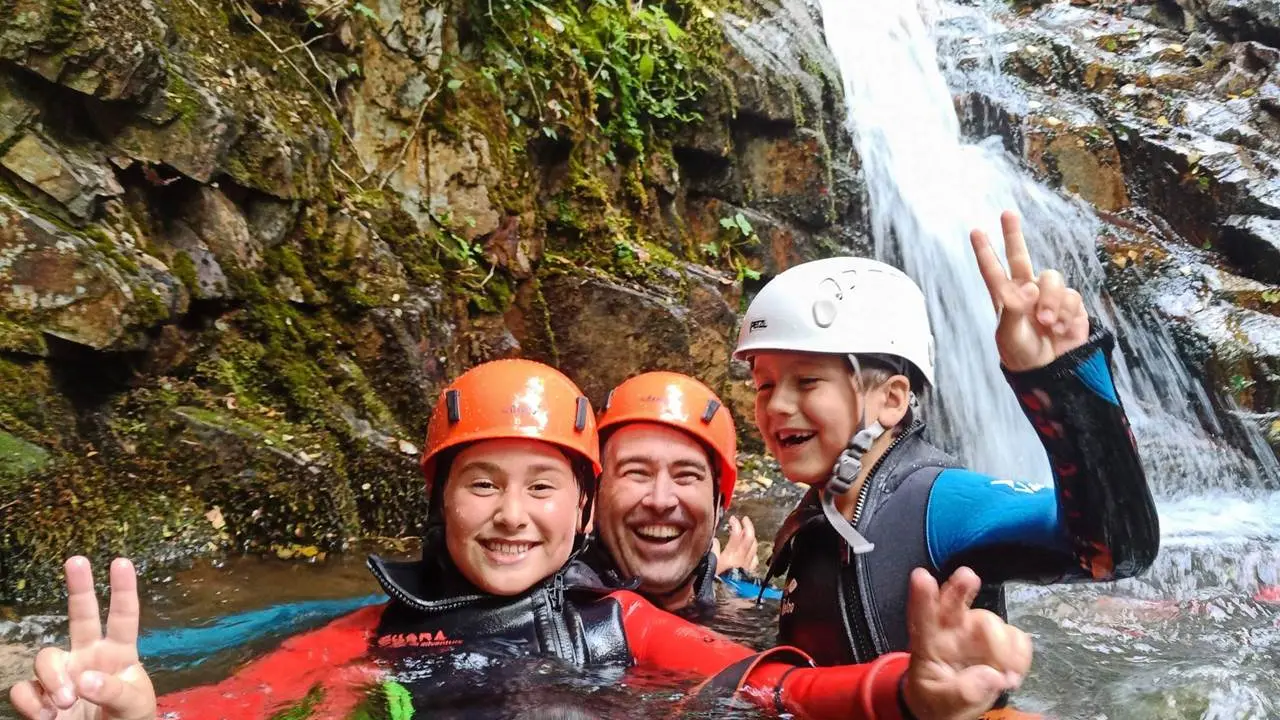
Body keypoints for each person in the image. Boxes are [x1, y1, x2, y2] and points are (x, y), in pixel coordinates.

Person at [10, 359, 1034, 720]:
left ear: (577, 512)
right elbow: (244, 701)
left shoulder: (617, 625)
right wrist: (137, 711)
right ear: (438, 503)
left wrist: (905, 692)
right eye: (481, 486)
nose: (511, 515)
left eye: (542, 486)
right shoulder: (374, 635)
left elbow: (774, 690)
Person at [734, 212, 1160, 666]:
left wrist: (1063, 382)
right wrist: (731, 583)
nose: (776, 405)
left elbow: (1115, 552)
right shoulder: (819, 514)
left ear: (892, 399)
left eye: (806, 382)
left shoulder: (939, 504)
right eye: (764, 385)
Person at [582, 371, 767, 613]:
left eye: (686, 475)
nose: (661, 500)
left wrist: (723, 589)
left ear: (718, 502)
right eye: (636, 472)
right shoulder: (548, 613)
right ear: (594, 495)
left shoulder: (763, 608)